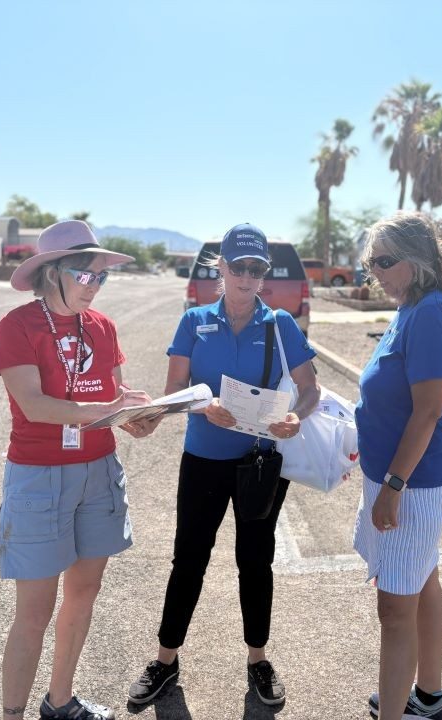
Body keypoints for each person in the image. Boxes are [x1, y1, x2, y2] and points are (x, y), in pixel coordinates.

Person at [127, 223, 320, 708]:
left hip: (259, 463)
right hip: (204, 460)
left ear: (264, 274)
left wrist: (299, 414)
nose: (248, 277)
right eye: (239, 267)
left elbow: (310, 386)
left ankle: (258, 661)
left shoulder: (280, 323)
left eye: (257, 269)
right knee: (188, 559)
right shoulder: (194, 321)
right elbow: (175, 391)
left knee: (255, 562)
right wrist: (202, 407)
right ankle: (165, 661)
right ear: (222, 268)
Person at [0, 220, 155, 720]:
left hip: (98, 470)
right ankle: (11, 715)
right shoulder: (17, 326)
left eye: (101, 278)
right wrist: (105, 411)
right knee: (34, 613)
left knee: (84, 592)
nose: (95, 286)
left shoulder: (102, 327)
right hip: (39, 474)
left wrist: (135, 419)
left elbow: (113, 398)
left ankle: (59, 701)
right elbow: (35, 405)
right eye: (87, 275)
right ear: (51, 272)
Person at [352, 212, 442, 720]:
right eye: (369, 261)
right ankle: (427, 696)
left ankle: (397, 713)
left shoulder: (430, 314)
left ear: (416, 259)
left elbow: (429, 410)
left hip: (412, 485)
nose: (374, 271)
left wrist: (393, 486)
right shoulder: (411, 307)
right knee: (423, 582)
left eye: (383, 261)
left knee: (395, 610)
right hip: (405, 480)